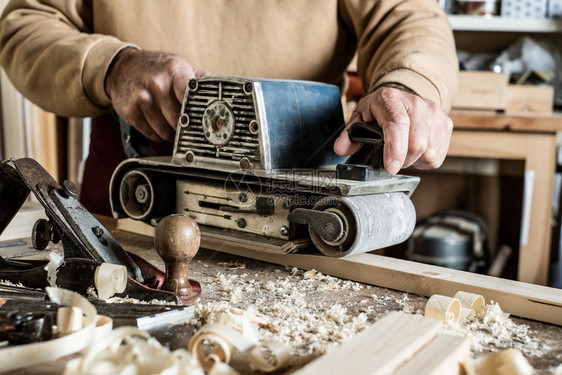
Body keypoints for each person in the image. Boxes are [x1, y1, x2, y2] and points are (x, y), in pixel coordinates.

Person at [0, 0, 458, 216]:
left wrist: (409, 83)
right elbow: (26, 23)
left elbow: (407, 15)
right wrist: (112, 65)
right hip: (137, 181)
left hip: (302, 191)